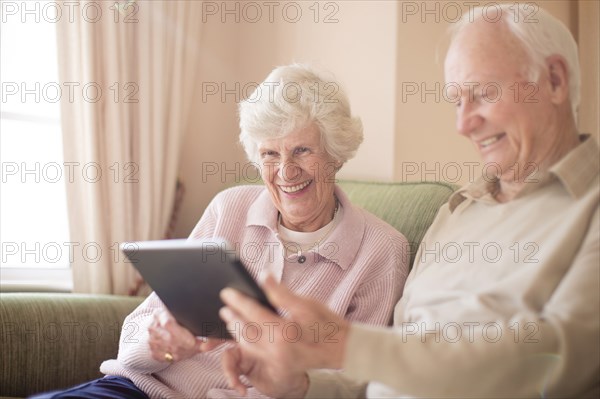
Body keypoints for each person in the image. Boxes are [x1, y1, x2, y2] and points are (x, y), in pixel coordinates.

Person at [218, 5, 599, 398]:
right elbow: (376, 372)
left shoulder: (590, 209)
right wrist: (299, 385)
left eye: (484, 94)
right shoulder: (458, 211)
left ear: (554, 80)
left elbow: (557, 357)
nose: (463, 125)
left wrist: (349, 344)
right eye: (456, 101)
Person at [33, 64, 409, 398]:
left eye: (302, 151)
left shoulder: (380, 250)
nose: (286, 171)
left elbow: (354, 381)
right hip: (138, 389)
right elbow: (134, 336)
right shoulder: (230, 207)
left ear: (336, 154)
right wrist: (162, 344)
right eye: (270, 155)